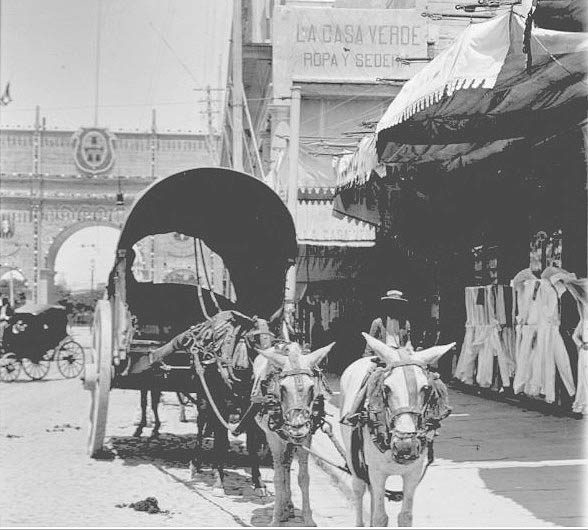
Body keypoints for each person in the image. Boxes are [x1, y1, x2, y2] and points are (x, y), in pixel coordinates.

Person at [364, 289, 412, 357]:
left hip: (399, 356)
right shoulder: (378, 323)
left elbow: (408, 344)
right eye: (392, 304)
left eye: (397, 305)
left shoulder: (405, 324)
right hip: (382, 356)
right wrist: (367, 358)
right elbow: (370, 344)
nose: (395, 307)